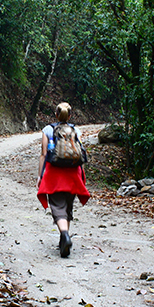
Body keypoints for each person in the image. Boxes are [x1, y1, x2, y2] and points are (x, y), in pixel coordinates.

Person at [37, 102, 90, 258]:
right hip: (73, 173)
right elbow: (79, 154)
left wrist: (40, 175)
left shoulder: (48, 130)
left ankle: (65, 235)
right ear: (70, 116)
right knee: (67, 205)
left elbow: (43, 154)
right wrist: (81, 176)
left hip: (54, 174)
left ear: (56, 115)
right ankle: (64, 239)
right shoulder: (76, 130)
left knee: (57, 206)